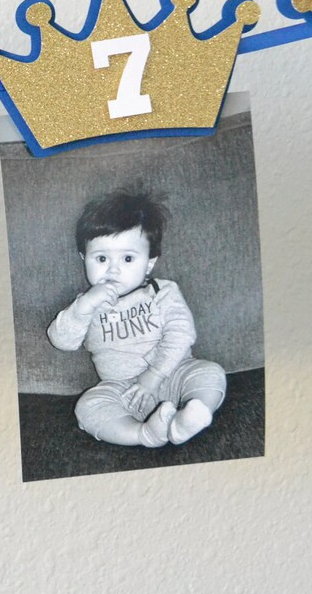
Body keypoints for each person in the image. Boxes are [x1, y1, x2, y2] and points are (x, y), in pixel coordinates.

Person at [48, 189, 225, 447]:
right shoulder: (87, 304)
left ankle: (189, 417)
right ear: (84, 258)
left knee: (209, 373)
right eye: (101, 258)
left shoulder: (162, 292)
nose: (113, 269)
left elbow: (182, 334)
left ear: (149, 263)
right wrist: (84, 306)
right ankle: (145, 434)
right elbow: (62, 341)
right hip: (122, 389)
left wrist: (153, 376)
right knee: (88, 406)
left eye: (128, 258)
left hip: (173, 374)